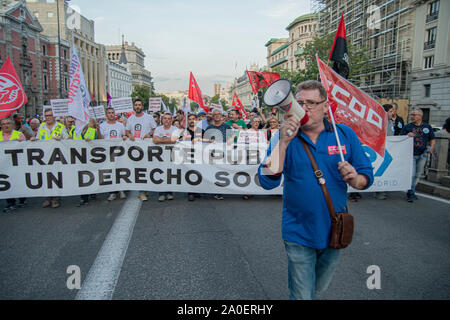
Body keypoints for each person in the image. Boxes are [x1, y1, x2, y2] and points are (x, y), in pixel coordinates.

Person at [257, 80, 374, 300]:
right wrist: (283, 143)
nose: (304, 108)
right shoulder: (284, 137)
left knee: (316, 290)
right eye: (299, 102)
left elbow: (366, 176)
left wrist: (355, 178)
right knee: (302, 295)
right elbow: (267, 181)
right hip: (298, 231)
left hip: (334, 229)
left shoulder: (344, 134)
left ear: (326, 106)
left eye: (311, 103)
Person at [34, 108, 68, 208]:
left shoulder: (60, 127)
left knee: (56, 178)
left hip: (57, 157)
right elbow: (38, 139)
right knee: (46, 177)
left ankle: (56, 198)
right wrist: (33, 139)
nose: (48, 117)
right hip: (44, 157)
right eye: (46, 116)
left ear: (54, 116)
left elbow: (68, 140)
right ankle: (48, 198)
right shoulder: (42, 127)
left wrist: (61, 139)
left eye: (50, 115)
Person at [400, 108, 436, 202]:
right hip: (411, 154)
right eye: (411, 114)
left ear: (420, 116)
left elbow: (432, 138)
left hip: (423, 154)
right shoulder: (407, 126)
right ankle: (411, 193)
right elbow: (400, 138)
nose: (412, 116)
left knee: (418, 174)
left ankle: (411, 190)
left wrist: (431, 147)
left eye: (414, 115)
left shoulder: (427, 127)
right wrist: (407, 135)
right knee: (412, 174)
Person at [126, 99, 157, 201]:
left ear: (142, 107)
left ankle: (145, 188)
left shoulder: (148, 117)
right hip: (135, 148)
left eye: (139, 105)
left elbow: (154, 129)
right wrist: (129, 135)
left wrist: (149, 134)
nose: (138, 107)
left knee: (148, 168)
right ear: (134, 107)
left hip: (147, 147)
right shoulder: (130, 119)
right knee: (139, 169)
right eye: (136, 105)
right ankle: (141, 192)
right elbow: (127, 131)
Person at [204, 108, 234, 200]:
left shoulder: (226, 126)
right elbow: (204, 140)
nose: (217, 116)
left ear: (221, 116)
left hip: (225, 152)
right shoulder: (209, 127)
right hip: (212, 153)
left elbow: (233, 135)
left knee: (223, 171)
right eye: (215, 114)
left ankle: (222, 190)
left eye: (219, 114)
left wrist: (231, 139)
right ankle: (216, 190)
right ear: (212, 116)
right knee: (214, 171)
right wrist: (209, 140)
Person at [100, 107, 128, 202]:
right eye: (109, 113)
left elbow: (124, 136)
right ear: (106, 115)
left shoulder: (120, 125)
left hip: (119, 152)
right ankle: (112, 192)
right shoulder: (102, 126)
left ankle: (121, 190)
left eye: (112, 113)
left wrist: (124, 137)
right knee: (110, 172)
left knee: (120, 170)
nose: (111, 114)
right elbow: (100, 138)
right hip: (108, 152)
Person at [0, 118, 27, 213]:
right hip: (4, 165)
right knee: (6, 182)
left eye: (8, 123)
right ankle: (10, 202)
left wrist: (20, 143)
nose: (5, 125)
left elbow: (26, 147)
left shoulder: (18, 134)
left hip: (17, 163)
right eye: (3, 124)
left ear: (12, 125)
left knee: (18, 181)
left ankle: (22, 199)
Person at [152, 112, 179, 202]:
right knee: (161, 173)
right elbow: (155, 140)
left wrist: (161, 139)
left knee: (170, 174)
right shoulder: (158, 129)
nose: (167, 120)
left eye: (169, 118)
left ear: (171, 120)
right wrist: (168, 139)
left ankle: (169, 193)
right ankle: (162, 194)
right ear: (162, 120)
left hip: (171, 156)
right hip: (160, 156)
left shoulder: (175, 129)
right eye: (165, 118)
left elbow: (174, 140)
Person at [180, 113, 205, 201]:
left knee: (198, 173)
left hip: (199, 155)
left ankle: (196, 191)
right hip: (188, 155)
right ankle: (190, 192)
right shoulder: (184, 131)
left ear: (197, 120)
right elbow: (180, 142)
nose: (191, 121)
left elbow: (207, 142)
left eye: (193, 119)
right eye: (190, 119)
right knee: (190, 173)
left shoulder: (201, 131)